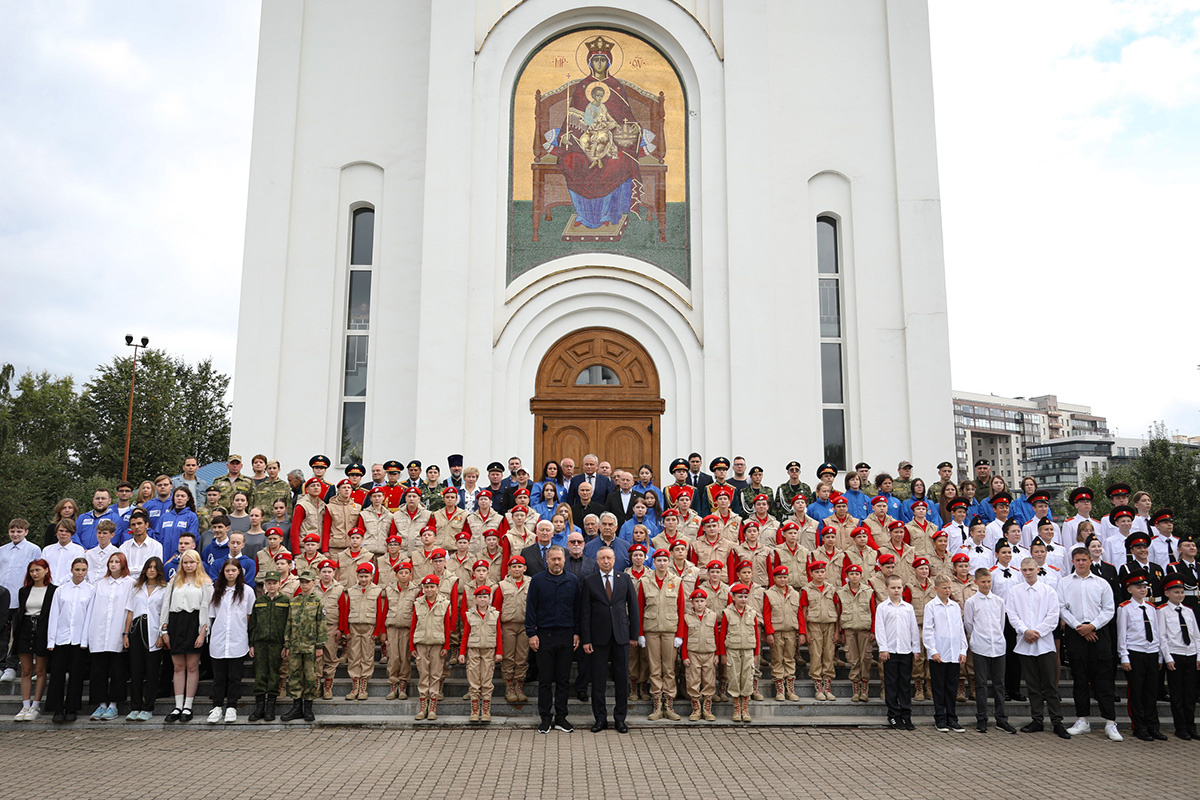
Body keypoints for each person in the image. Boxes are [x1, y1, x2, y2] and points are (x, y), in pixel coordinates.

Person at [1057, 545, 1120, 741]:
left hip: (1099, 633)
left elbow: (1109, 610)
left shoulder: (1101, 583)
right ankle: (1082, 720)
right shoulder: (1064, 583)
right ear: (1073, 562)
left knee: (1103, 679)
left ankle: (1110, 722)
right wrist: (1079, 627)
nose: (1081, 563)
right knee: (1080, 679)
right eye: (1078, 560)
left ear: (1090, 561)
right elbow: (1062, 608)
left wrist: (1092, 626)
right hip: (1076, 634)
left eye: (1085, 559)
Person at [1007, 557, 1070, 738]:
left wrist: (1037, 632)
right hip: (1025, 643)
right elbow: (1012, 614)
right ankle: (1037, 720)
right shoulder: (1014, 591)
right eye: (1024, 570)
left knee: (1050, 685)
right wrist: (1025, 631)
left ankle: (1057, 721)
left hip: (1044, 644)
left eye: (1031, 569)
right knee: (1032, 685)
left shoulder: (1048, 591)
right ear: (1021, 571)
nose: (1028, 573)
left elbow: (1052, 616)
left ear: (1037, 569)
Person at [579, 545, 638, 733]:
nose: (606, 561)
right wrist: (586, 639)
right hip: (598, 638)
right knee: (598, 680)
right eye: (602, 558)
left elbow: (634, 609)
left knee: (622, 679)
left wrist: (633, 635)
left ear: (614, 560)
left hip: (621, 636)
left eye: (609, 558)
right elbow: (585, 612)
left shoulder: (625, 579)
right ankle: (600, 719)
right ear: (597, 561)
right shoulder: (589, 581)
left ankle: (620, 719)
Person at [525, 545, 580, 733]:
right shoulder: (538, 580)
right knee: (545, 680)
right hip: (544, 637)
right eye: (553, 559)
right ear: (547, 560)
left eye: (559, 559)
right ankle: (545, 718)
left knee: (564, 680)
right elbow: (531, 608)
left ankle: (561, 718)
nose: (557, 562)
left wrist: (577, 633)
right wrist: (531, 633)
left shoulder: (573, 581)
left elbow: (577, 610)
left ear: (565, 560)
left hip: (566, 636)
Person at [160, 549, 214, 723]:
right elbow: (165, 605)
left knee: (192, 666)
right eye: (185, 562)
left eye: (192, 562)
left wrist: (202, 631)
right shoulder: (174, 581)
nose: (188, 565)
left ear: (198, 563)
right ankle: (177, 706)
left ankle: (188, 706)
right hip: (176, 623)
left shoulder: (205, 582)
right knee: (177, 666)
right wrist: (164, 630)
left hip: (194, 623)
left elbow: (207, 607)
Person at [963, 567, 1016, 734]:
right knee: (981, 684)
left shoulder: (999, 601)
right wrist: (978, 638)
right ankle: (982, 718)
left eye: (989, 581)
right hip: (981, 646)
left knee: (999, 684)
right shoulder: (971, 602)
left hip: (998, 646)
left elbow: (1000, 623)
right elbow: (969, 625)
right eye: (983, 582)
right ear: (976, 582)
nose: (986, 585)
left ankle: (1001, 719)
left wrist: (997, 638)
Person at [83, 551, 133, 720]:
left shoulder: (129, 583)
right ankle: (100, 704)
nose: (113, 564)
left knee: (117, 670)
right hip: (99, 631)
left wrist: (126, 633)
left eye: (117, 562)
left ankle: (113, 705)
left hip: (117, 631)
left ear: (123, 564)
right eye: (111, 561)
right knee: (98, 670)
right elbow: (92, 608)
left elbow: (129, 609)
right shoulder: (100, 583)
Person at [1117, 568, 1166, 740]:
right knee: (1136, 692)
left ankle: (1153, 725)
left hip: (1151, 652)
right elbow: (1122, 634)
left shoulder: (1152, 608)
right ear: (1129, 589)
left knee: (1151, 691)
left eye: (1144, 587)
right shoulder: (1125, 608)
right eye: (1138, 587)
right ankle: (1139, 726)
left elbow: (1158, 633)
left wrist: (1160, 655)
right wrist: (1124, 656)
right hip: (1135, 652)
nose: (1143, 590)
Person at [637, 548, 684, 722]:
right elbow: (640, 607)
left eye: (665, 560)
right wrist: (640, 633)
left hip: (670, 630)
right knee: (654, 667)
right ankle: (657, 704)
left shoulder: (676, 581)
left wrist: (680, 634)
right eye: (659, 560)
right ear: (654, 562)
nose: (662, 563)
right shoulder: (645, 581)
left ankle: (669, 705)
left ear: (669, 562)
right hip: (651, 630)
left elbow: (681, 607)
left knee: (669, 668)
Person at [45, 557, 94, 723]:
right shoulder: (61, 590)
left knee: (76, 675)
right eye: (77, 569)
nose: (80, 573)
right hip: (61, 637)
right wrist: (51, 640)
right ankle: (57, 709)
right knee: (57, 674)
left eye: (83, 570)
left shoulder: (90, 590)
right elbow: (54, 615)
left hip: (79, 639)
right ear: (71, 570)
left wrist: (85, 640)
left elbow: (89, 617)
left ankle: (72, 708)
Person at [206, 559, 253, 723]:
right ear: (223, 572)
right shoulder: (216, 590)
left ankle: (232, 707)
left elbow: (248, 615)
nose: (231, 573)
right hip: (219, 639)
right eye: (228, 570)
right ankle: (217, 706)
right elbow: (212, 615)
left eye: (234, 570)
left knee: (234, 677)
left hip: (237, 639)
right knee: (219, 677)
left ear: (239, 571)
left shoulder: (247, 591)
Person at [122, 556, 166, 721]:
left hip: (154, 633)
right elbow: (130, 612)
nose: (152, 570)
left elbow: (164, 614)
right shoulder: (136, 588)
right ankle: (135, 707)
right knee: (136, 671)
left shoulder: (164, 589)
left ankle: (148, 707)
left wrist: (163, 634)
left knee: (152, 671)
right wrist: (126, 634)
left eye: (155, 567)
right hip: (136, 632)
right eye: (149, 567)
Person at [874, 574, 919, 730]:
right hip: (890, 651)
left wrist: (916, 649)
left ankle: (906, 715)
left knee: (905, 684)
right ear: (886, 589)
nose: (896, 590)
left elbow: (914, 629)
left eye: (899, 587)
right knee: (892, 684)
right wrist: (883, 648)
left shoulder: (908, 608)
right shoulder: (882, 608)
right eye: (893, 587)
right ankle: (893, 715)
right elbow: (880, 629)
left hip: (905, 650)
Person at [923, 575, 967, 733]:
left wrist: (963, 649)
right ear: (936, 589)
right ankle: (940, 717)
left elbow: (960, 629)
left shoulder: (955, 606)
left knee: (952, 686)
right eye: (944, 588)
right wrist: (932, 650)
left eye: (949, 588)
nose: (948, 591)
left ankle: (952, 717)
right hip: (939, 653)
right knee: (939, 686)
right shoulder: (931, 606)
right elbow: (928, 630)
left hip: (954, 653)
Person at [11, 559, 53, 721]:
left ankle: (36, 705)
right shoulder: (24, 591)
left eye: (38, 570)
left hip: (43, 629)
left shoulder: (52, 590)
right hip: (25, 629)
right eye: (32, 571)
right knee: (26, 670)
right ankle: (25, 704)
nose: (35, 574)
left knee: (41, 670)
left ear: (46, 571)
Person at [280, 569, 325, 723]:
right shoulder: (294, 601)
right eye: (302, 582)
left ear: (314, 582)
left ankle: (308, 707)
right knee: (294, 676)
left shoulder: (317, 602)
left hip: (310, 646)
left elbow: (321, 624)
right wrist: (286, 644)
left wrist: (319, 645)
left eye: (307, 582)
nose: (304, 584)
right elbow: (289, 624)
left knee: (310, 677)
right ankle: (296, 707)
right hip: (294, 646)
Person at [1, 518, 42, 683]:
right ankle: (1, 664)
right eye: (12, 531)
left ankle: (12, 665)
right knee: (3, 633)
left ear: (26, 532)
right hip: (3, 597)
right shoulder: (2, 550)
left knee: (18, 633)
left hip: (21, 597)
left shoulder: (33, 549)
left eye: (19, 531)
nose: (15, 534)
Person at [1158, 574, 1199, 739]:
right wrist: (1167, 657)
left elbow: (1196, 635)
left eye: (1182, 592)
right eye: (1176, 592)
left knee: (1190, 694)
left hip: (1191, 654)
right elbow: (1162, 636)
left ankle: (1191, 726)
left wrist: (1198, 656)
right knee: (1177, 694)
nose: (1180, 595)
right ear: (1167, 593)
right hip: (1175, 655)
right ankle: (1180, 727)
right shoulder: (1162, 611)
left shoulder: (1188, 611)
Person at [410, 573, 452, 720]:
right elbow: (413, 625)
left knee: (435, 674)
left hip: (437, 644)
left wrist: (446, 646)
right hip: (421, 643)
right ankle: (423, 706)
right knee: (423, 674)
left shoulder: (444, 603)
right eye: (426, 587)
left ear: (437, 587)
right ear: (423, 588)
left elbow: (447, 626)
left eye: (432, 587)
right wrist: (411, 647)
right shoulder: (417, 603)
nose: (429, 590)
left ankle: (432, 706)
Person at [458, 585, 503, 722]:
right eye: (480, 597)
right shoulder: (470, 615)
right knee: (474, 680)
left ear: (489, 599)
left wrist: (499, 652)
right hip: (473, 651)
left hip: (489, 651)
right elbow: (465, 635)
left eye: (485, 597)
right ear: (475, 599)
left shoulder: (495, 614)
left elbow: (498, 635)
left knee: (487, 680)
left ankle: (485, 710)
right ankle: (475, 709)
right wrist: (461, 653)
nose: (482, 600)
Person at [716, 582, 759, 722]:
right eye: (740, 596)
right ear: (733, 597)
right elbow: (722, 635)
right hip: (732, 651)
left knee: (747, 678)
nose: (743, 599)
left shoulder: (752, 613)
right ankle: (736, 709)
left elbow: (756, 635)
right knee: (734, 678)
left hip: (748, 650)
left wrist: (756, 654)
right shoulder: (727, 613)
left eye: (746, 596)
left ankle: (745, 709)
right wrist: (722, 654)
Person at [344, 562, 386, 701]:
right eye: (361, 576)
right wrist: (345, 629)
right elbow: (346, 610)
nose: (363, 579)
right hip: (354, 626)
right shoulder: (351, 590)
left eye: (366, 576)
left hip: (369, 627)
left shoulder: (377, 591)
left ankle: (363, 686)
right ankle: (355, 684)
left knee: (367, 656)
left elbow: (380, 613)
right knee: (354, 655)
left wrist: (377, 631)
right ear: (357, 576)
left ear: (371, 576)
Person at [834, 564, 874, 702]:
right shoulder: (841, 592)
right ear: (847, 577)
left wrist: (873, 630)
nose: (854, 576)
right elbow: (838, 613)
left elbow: (873, 612)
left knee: (865, 658)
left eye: (857, 574)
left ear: (861, 576)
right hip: (849, 630)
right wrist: (840, 632)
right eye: (851, 574)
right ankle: (855, 688)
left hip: (864, 630)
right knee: (853, 659)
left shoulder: (869, 591)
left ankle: (865, 687)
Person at [798, 560, 838, 701]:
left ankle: (827, 685)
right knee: (816, 655)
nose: (820, 575)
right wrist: (805, 632)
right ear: (811, 574)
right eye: (817, 572)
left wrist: (837, 631)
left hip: (829, 625)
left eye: (822, 572)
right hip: (814, 626)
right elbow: (803, 612)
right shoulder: (806, 590)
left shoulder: (831, 589)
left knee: (829, 654)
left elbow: (837, 610)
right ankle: (818, 686)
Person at [678, 587, 719, 721]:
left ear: (706, 602)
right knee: (693, 680)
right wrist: (684, 656)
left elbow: (716, 636)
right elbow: (683, 638)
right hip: (693, 653)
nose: (699, 604)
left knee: (709, 681)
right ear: (692, 603)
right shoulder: (687, 617)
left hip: (709, 653)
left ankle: (707, 709)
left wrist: (717, 654)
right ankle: (696, 708)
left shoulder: (712, 616)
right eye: (697, 601)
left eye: (702, 601)